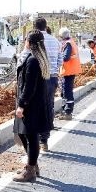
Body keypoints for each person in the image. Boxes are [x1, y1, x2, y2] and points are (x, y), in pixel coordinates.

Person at [13, 30, 53, 182]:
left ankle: (30, 171)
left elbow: (29, 87)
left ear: (29, 43)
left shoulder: (32, 60)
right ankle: (33, 165)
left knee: (30, 136)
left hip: (30, 105)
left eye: (25, 40)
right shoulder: (37, 58)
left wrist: (22, 105)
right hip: (34, 103)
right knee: (24, 134)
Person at [34, 18, 62, 152]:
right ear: (46, 27)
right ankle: (44, 140)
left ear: (35, 27)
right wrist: (54, 71)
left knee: (36, 107)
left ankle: (36, 138)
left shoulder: (35, 40)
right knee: (48, 106)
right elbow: (60, 59)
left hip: (38, 78)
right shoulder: (55, 41)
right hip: (52, 78)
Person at [58, 27, 81, 120]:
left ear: (62, 36)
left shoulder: (68, 44)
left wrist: (59, 57)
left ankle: (68, 112)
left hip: (69, 71)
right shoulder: (71, 42)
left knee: (67, 92)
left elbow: (66, 57)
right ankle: (65, 111)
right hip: (70, 70)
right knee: (64, 92)